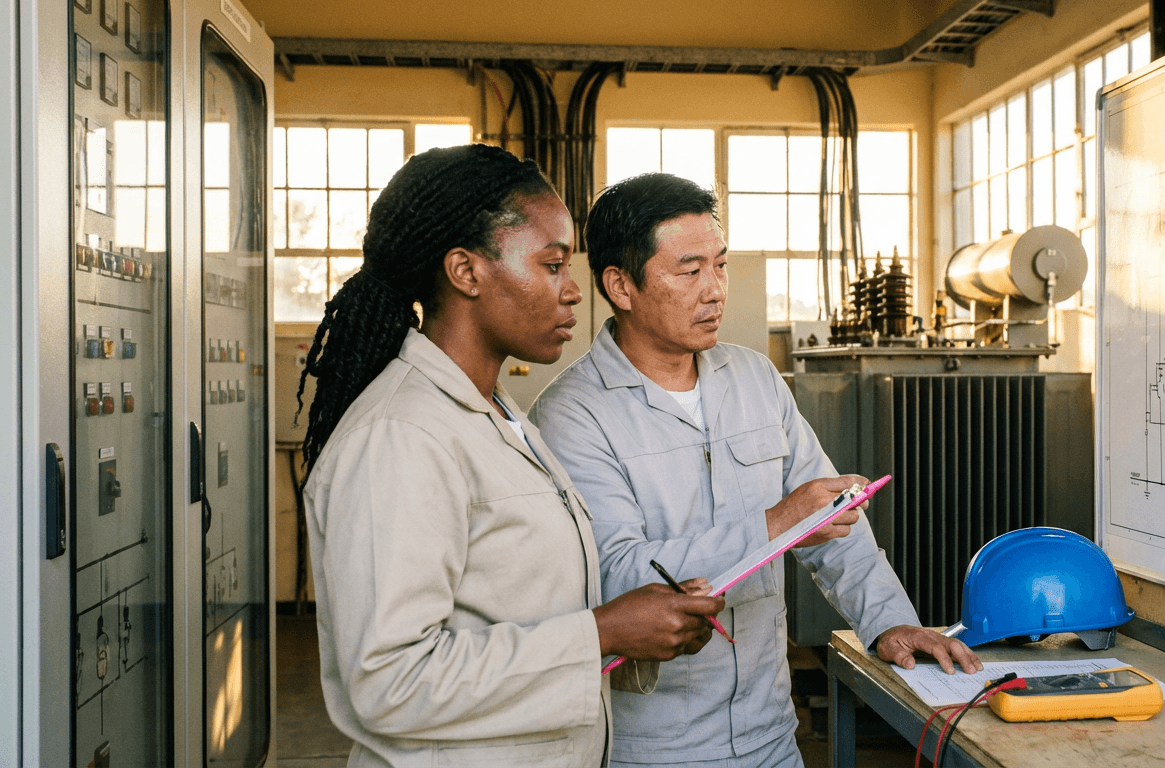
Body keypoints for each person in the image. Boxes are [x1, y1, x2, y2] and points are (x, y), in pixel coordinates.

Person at [528, 173, 983, 767]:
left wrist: (889, 623)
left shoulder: (754, 379)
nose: (715, 290)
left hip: (771, 733)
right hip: (655, 748)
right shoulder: (572, 416)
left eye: (720, 266)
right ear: (621, 285)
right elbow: (619, 577)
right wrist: (777, 523)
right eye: (690, 271)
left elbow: (834, 524)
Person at [296, 147, 725, 768]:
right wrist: (603, 632)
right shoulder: (402, 436)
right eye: (551, 265)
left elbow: (518, 610)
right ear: (466, 272)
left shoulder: (498, 415)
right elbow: (388, 682)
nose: (575, 291)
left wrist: (637, 628)